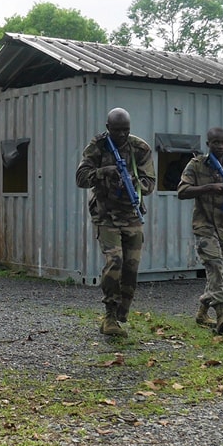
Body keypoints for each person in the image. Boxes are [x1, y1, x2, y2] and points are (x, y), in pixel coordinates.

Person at [76, 107, 155, 336]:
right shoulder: (97, 147)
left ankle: (121, 312)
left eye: (126, 130)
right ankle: (109, 316)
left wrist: (133, 182)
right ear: (108, 128)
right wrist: (105, 172)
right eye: (117, 130)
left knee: (131, 267)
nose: (121, 135)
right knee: (115, 261)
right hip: (105, 214)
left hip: (131, 214)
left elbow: (150, 183)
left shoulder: (140, 148)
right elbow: (80, 178)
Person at [177, 126, 223, 336]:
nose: (220, 146)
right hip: (204, 226)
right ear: (208, 144)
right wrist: (209, 187)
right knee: (214, 265)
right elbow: (182, 191)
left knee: (222, 273)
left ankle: (202, 311)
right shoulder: (196, 165)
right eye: (216, 142)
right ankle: (222, 315)